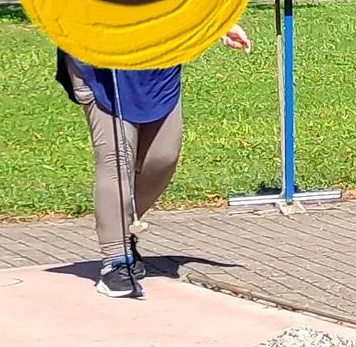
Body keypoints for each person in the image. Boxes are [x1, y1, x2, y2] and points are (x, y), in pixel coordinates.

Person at [59, 20, 255, 297]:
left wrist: (219, 24)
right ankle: (115, 262)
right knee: (117, 160)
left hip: (157, 64)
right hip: (100, 64)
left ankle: (123, 226)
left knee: (163, 156)